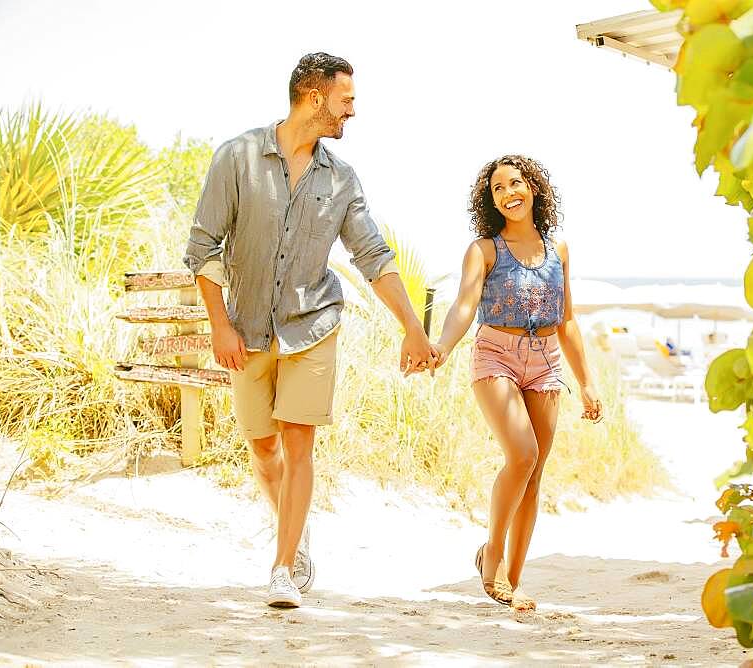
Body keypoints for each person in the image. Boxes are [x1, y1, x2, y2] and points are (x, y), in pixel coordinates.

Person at [183, 52, 435, 608]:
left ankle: (282, 566)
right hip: (245, 331)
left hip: (312, 324)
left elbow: (372, 254)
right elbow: (202, 247)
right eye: (346, 100)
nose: (353, 111)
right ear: (315, 97)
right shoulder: (239, 157)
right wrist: (219, 326)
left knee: (299, 444)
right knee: (263, 448)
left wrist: (413, 330)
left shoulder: (341, 178)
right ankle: (292, 529)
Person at [431, 155, 602, 611]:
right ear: (491, 201)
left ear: (534, 188)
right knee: (522, 454)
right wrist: (443, 347)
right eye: (498, 188)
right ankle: (493, 554)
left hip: (546, 361)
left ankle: (513, 580)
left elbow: (566, 321)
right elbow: (465, 306)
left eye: (516, 183)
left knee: (535, 471)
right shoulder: (484, 250)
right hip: (496, 354)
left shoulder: (558, 248)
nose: (509, 193)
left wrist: (586, 383)